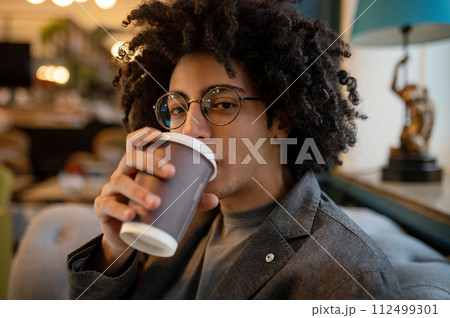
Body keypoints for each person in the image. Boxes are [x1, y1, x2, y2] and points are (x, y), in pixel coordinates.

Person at [67, 0, 405, 299]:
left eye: (222, 103)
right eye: (178, 108)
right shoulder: (170, 217)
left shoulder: (348, 275)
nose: (191, 129)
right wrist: (113, 252)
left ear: (280, 122)